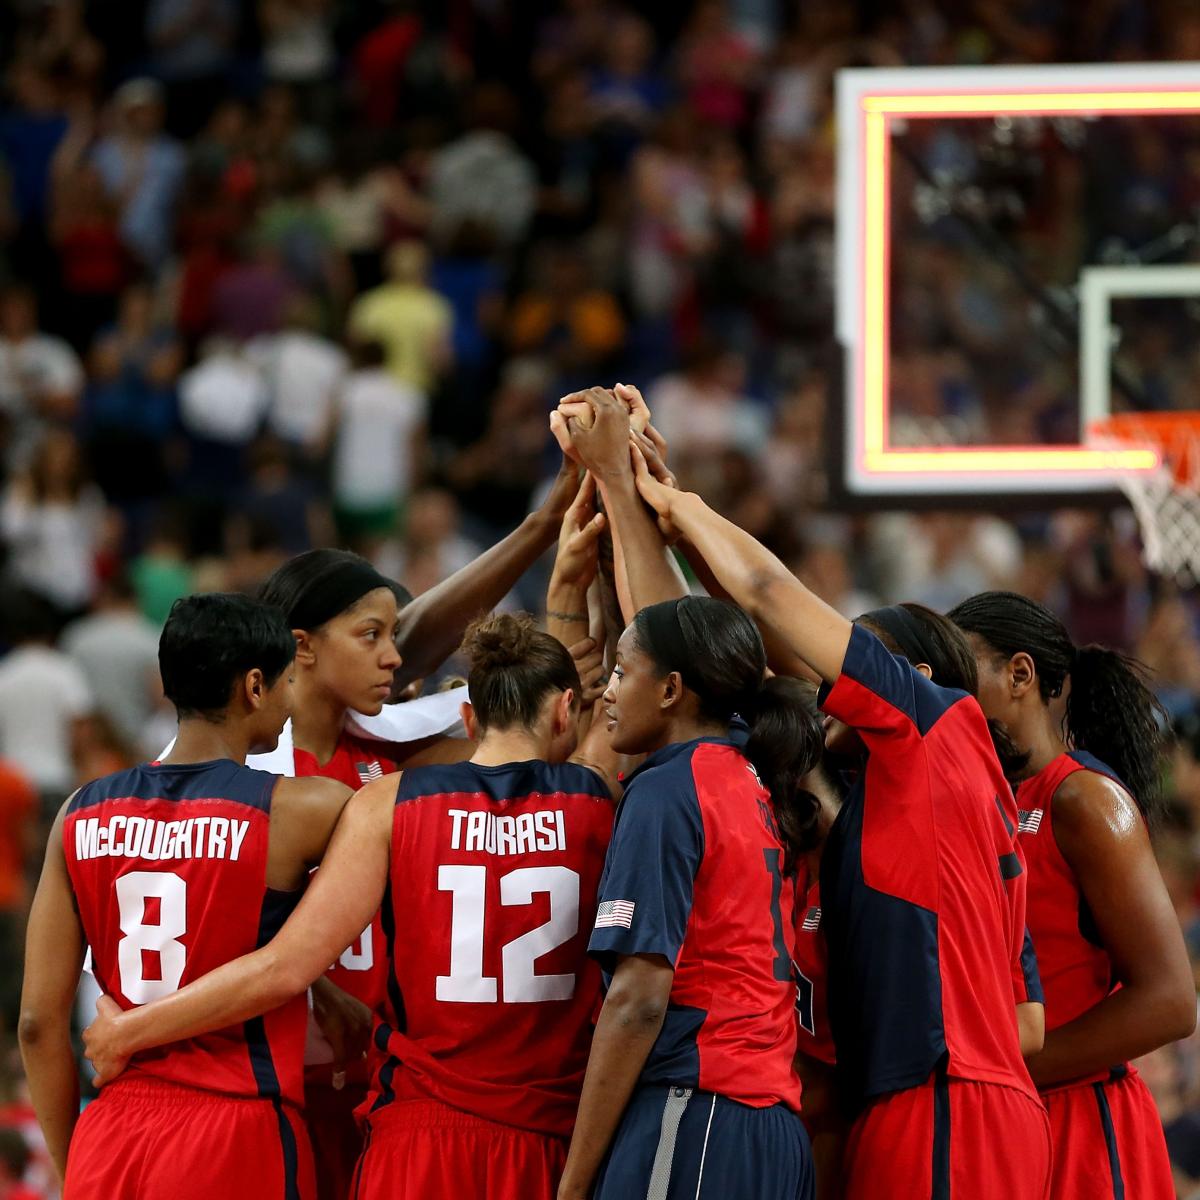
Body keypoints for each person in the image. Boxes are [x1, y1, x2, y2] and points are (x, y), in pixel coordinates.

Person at [81, 607, 622, 1200]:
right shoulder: (602, 799)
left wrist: (128, 1031)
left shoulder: (385, 805)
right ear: (567, 709)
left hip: (420, 1141)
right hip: (549, 1137)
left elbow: (284, 967)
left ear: (467, 717)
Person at [626, 459, 1050, 1200]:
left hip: (947, 1103)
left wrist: (673, 499)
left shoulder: (937, 725)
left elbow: (770, 595)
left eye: (847, 657)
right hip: (945, 1104)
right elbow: (1028, 1025)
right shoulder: (915, 812)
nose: (824, 686)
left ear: (908, 675)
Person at [247, 459, 589, 1199]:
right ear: (301, 645)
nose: (395, 656)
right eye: (370, 637)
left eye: (390, 636)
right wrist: (311, 993)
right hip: (289, 1088)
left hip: (405, 1091)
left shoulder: (412, 740)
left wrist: (545, 527)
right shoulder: (243, 773)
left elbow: (512, 689)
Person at [17, 593, 353, 1196]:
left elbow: (40, 1024)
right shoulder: (301, 811)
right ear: (255, 686)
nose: (288, 701)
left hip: (112, 1133)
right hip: (236, 1125)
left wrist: (79, 1169)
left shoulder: (79, 811)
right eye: (285, 684)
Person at [558, 596, 820, 1200]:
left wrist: (573, 1184)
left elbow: (639, 999)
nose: (609, 693)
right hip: (772, 1129)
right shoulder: (748, 778)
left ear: (671, 689)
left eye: (622, 672)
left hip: (696, 1111)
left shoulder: (667, 790)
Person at [949, 591, 1196, 1199]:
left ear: (1020, 674)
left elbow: (1169, 1002)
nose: (943, 699)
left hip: (1078, 1119)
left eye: (959, 676)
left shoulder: (1082, 800)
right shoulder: (976, 801)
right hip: (999, 1116)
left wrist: (1009, 1070)